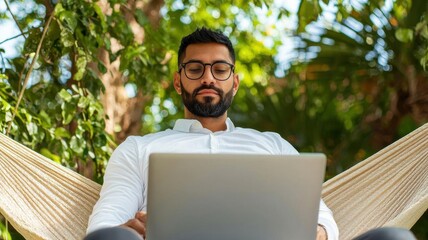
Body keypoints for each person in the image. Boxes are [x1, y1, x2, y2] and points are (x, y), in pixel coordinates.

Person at [85, 27, 415, 240]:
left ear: (235, 81)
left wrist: (315, 232)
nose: (208, 78)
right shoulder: (139, 148)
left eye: (220, 69)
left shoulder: (272, 145)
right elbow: (102, 229)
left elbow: (324, 222)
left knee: (394, 239)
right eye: (195, 69)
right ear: (177, 81)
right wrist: (128, 229)